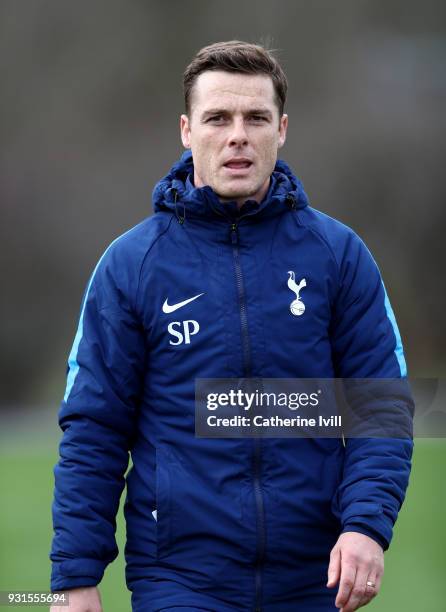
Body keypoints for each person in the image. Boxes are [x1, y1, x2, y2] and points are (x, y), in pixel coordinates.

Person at [50, 41, 414, 612]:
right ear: (187, 131)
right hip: (180, 582)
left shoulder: (339, 256)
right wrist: (75, 578)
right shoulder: (131, 266)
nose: (237, 135)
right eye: (217, 118)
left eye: (256, 118)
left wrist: (366, 525)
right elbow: (94, 428)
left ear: (283, 129)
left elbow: (381, 406)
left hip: (315, 580)